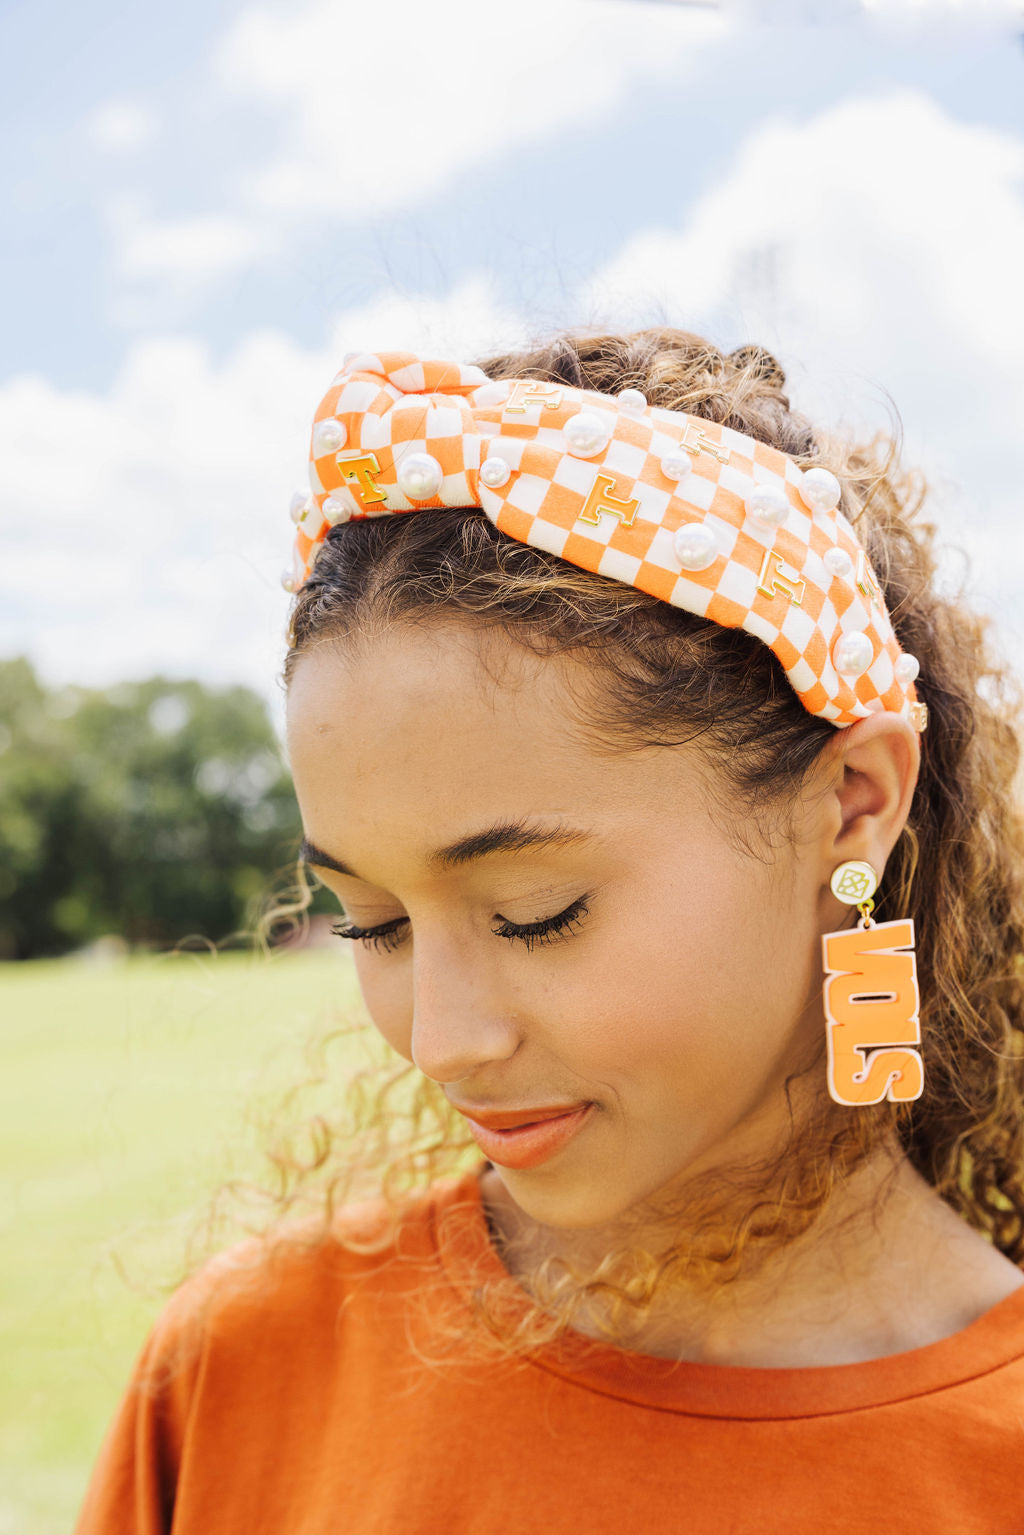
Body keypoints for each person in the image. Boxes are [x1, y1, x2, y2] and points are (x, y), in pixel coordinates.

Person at [75, 329, 1024, 1533]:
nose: (441, 1039)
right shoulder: (238, 1371)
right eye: (370, 922)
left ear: (854, 804)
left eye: (535, 912)